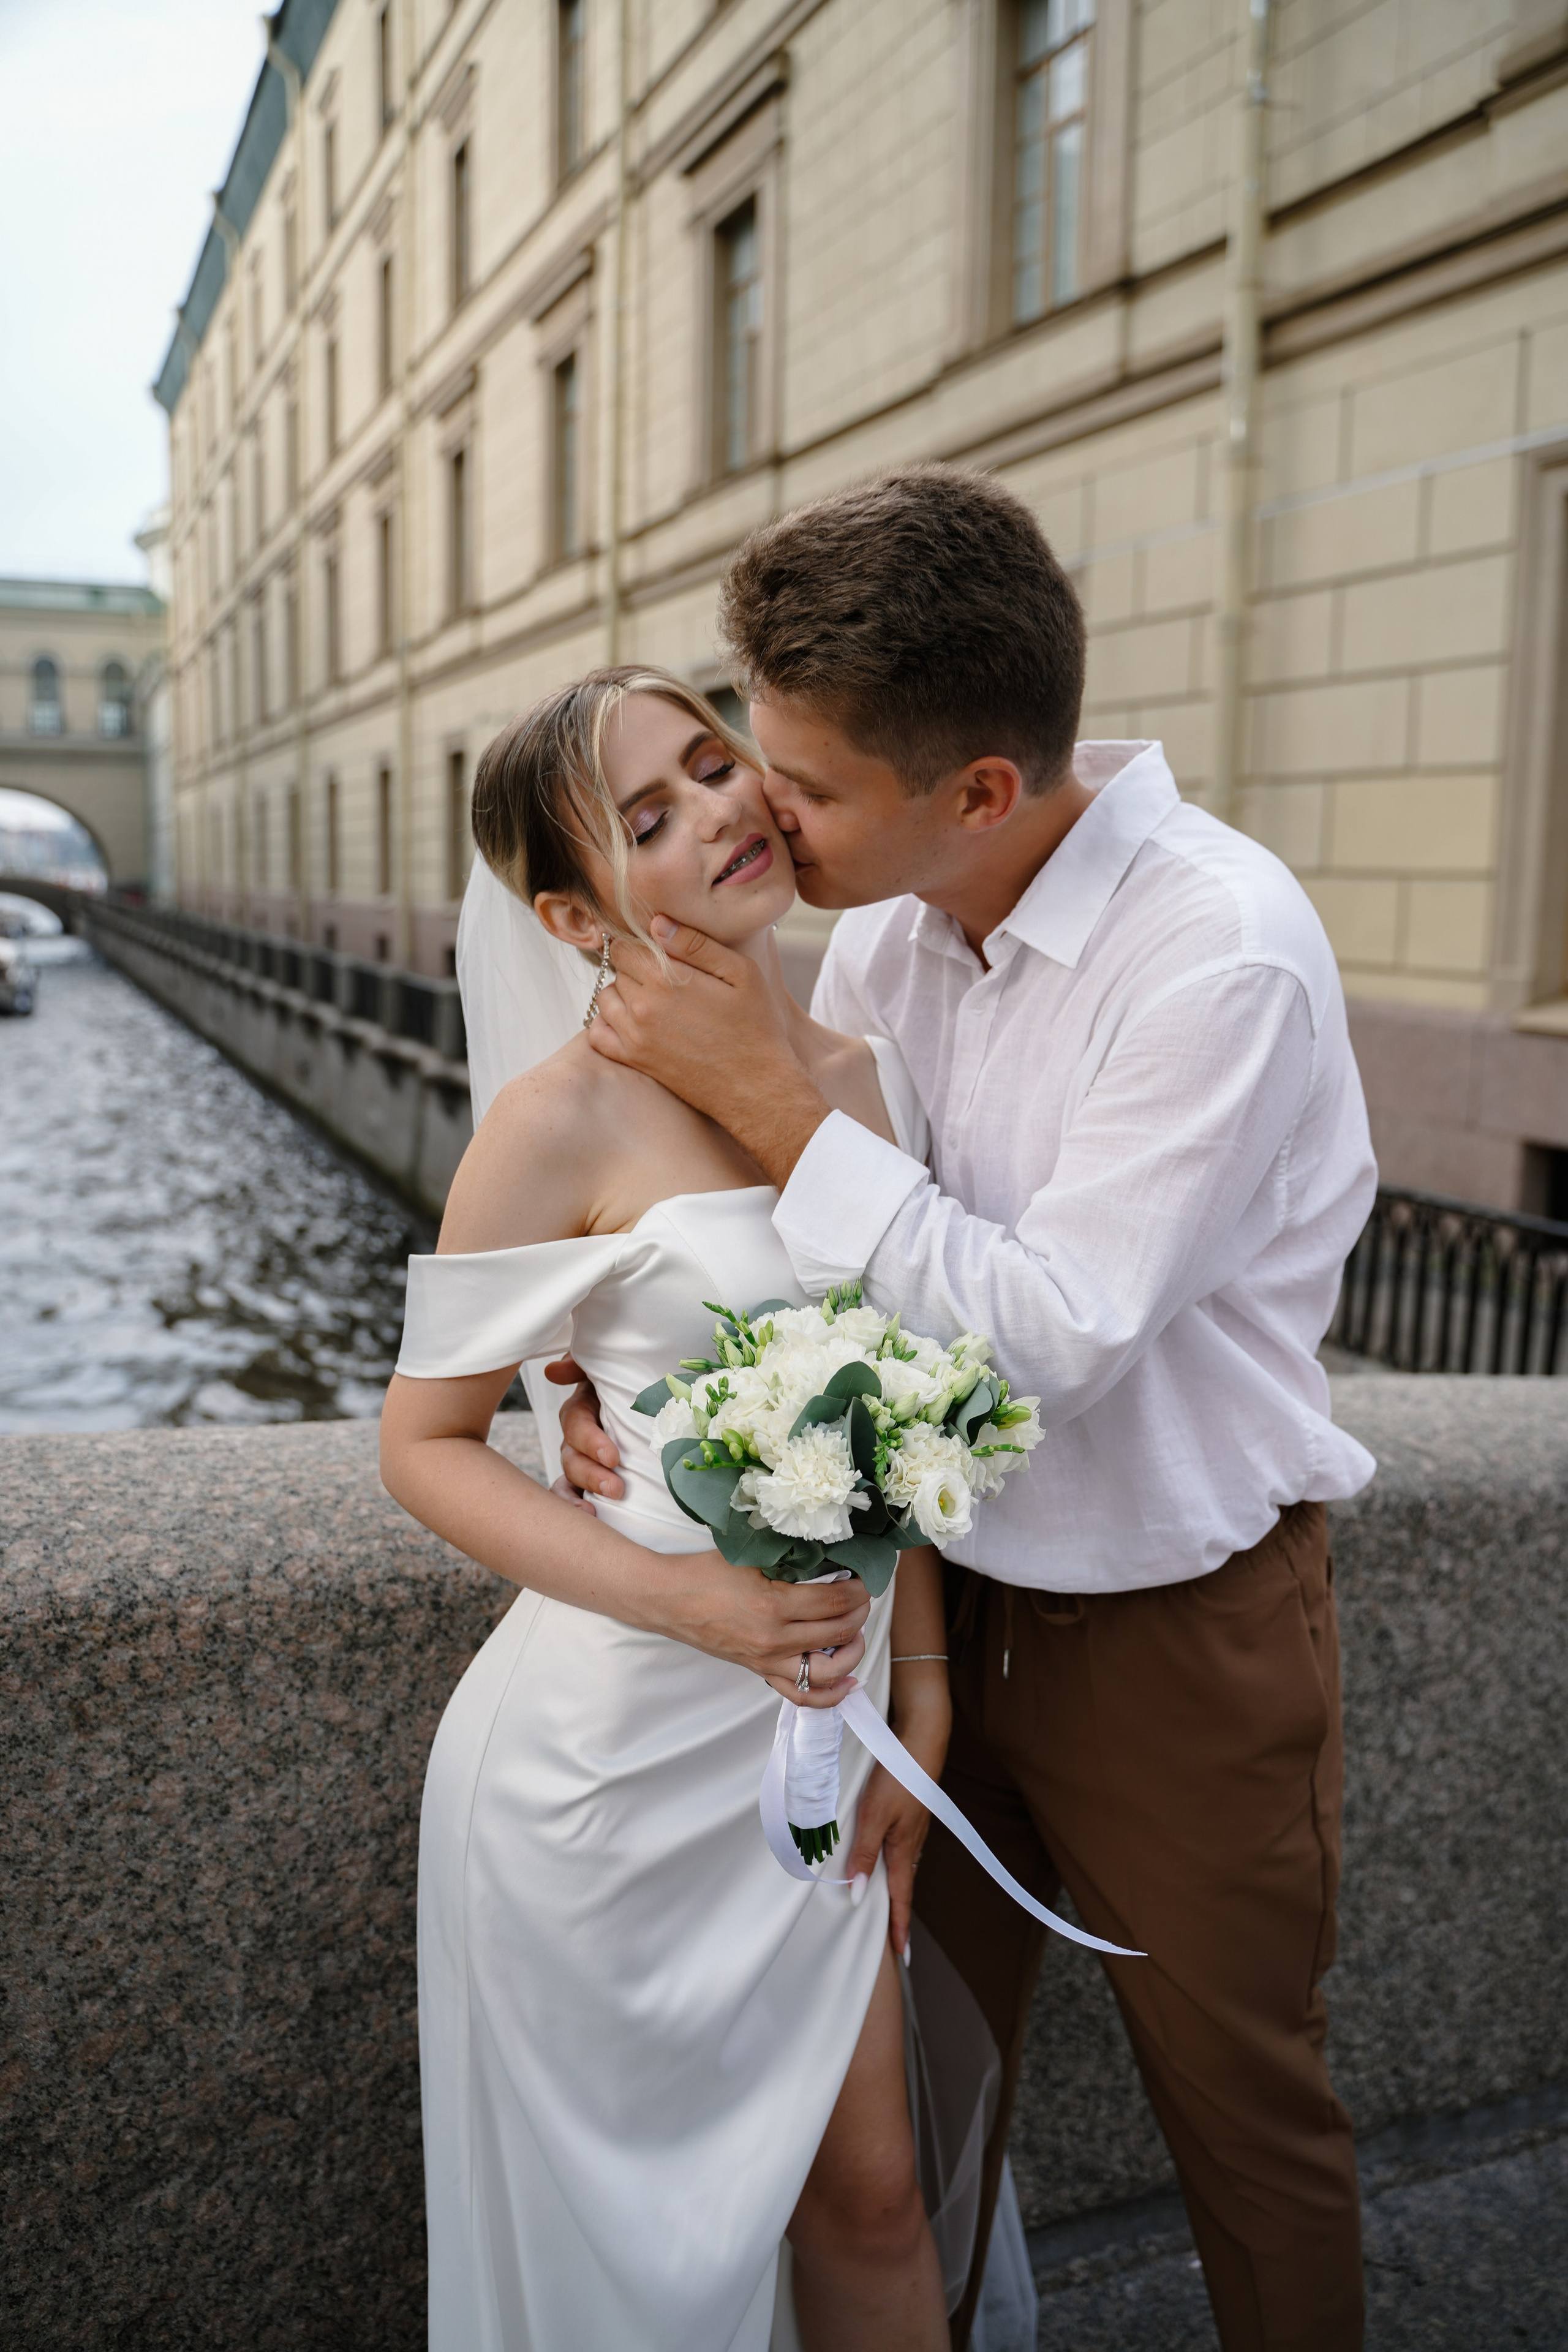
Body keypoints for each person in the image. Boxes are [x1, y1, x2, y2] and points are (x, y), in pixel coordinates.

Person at [556, 466, 1379, 2352]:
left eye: (806, 786)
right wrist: (576, 1363)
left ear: (982, 791)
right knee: (919, 2108)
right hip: (918, 1616)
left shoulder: (1221, 952)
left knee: (1248, 2123)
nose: (764, 814)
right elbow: (794, 1249)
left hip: (1176, 1633)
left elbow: (1049, 1334)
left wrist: (772, 1101)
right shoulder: (888, 921)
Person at [379, 668, 960, 2352]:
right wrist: (692, 1601)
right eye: (648, 817)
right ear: (575, 917)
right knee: (631, 2270)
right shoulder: (557, 1120)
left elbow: (904, 1405)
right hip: (606, 1776)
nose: (718, 810)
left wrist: (922, 1686)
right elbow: (424, 1444)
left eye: (715, 765)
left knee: (875, 2200)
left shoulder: (872, 1073)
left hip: (821, 1738)